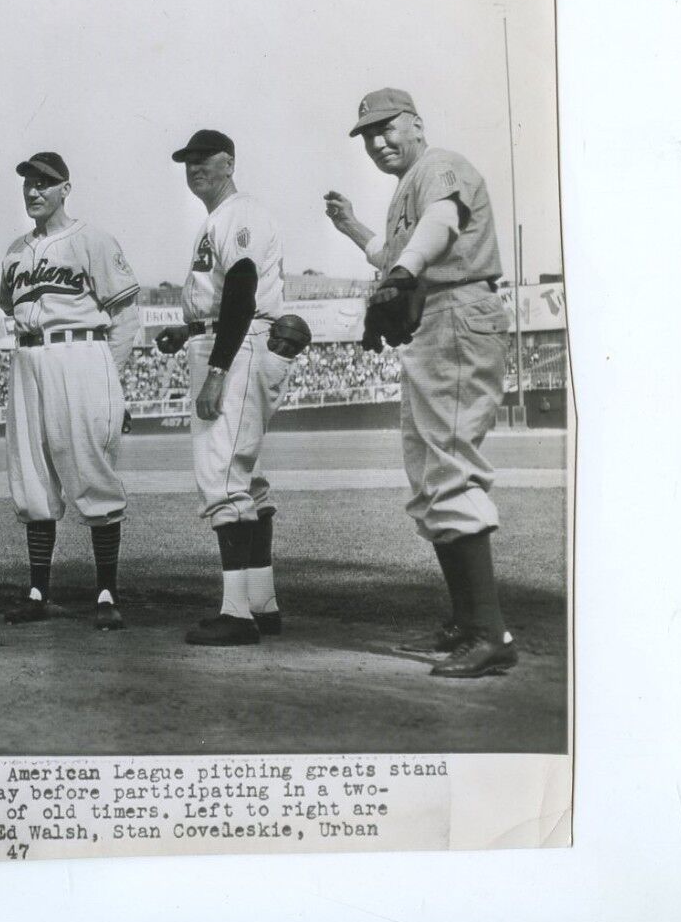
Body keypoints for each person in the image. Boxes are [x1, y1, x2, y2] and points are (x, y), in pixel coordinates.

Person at [325, 87, 516, 677]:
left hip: (457, 312)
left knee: (449, 464)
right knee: (432, 470)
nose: (379, 141)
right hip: (434, 318)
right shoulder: (404, 189)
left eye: (388, 128)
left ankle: (489, 632)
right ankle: (467, 622)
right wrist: (356, 229)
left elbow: (442, 222)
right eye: (368, 135)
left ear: (417, 123)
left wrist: (405, 273)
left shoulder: (440, 166)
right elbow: (397, 253)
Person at [156, 130, 296, 646]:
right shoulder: (217, 218)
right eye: (187, 161)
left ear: (229, 161)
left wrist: (217, 368)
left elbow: (241, 287)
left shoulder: (239, 212)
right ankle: (262, 602)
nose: (194, 168)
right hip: (230, 341)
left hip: (236, 350)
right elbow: (223, 295)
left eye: (204, 159)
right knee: (245, 477)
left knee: (221, 476)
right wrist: (187, 331)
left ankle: (237, 613)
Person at [0, 152, 139, 630]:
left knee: (92, 472)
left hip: (81, 354)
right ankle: (38, 591)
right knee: (31, 476)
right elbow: (7, 304)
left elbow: (124, 318)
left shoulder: (92, 239)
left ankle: (105, 592)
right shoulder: (16, 250)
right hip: (28, 358)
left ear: (65, 189)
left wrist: (110, 383)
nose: (33, 191)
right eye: (28, 184)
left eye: (44, 183)